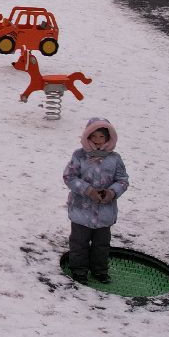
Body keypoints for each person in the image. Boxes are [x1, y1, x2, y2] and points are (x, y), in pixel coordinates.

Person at [63, 117, 130, 283]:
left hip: (104, 213)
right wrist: (88, 190)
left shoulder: (115, 159)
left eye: (102, 137)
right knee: (79, 242)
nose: (98, 141)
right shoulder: (79, 156)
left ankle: (99, 270)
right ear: (88, 137)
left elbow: (122, 180)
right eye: (94, 137)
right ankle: (79, 270)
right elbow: (69, 176)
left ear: (109, 138)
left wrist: (111, 193)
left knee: (102, 244)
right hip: (81, 211)